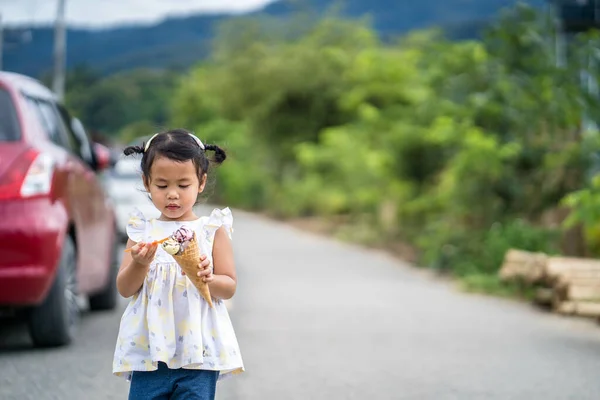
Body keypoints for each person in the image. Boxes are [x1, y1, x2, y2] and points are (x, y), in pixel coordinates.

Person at [112, 129, 244, 400]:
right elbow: (125, 289)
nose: (173, 194)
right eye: (162, 185)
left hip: (199, 355)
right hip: (150, 353)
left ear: (201, 182)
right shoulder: (141, 231)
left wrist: (207, 277)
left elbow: (228, 287)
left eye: (183, 185)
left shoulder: (211, 229)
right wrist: (139, 264)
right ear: (146, 182)